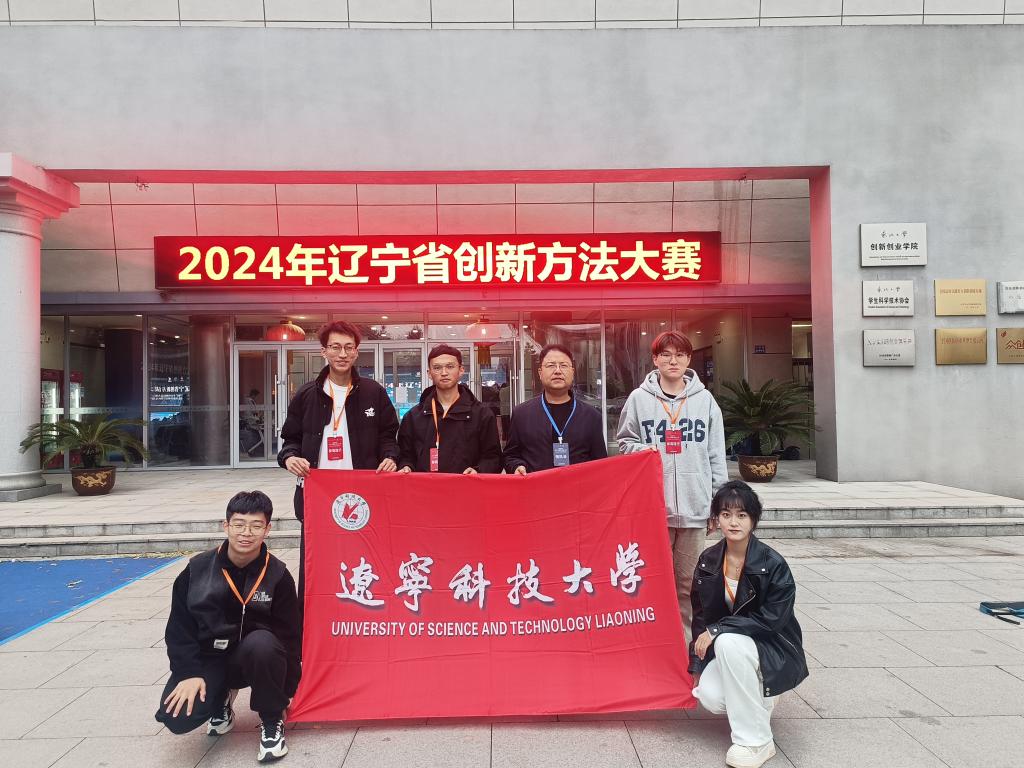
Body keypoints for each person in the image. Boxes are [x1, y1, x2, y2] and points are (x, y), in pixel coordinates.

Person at [156, 491, 300, 764]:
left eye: (256, 525)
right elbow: (179, 630)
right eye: (239, 524)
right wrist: (188, 673)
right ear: (226, 526)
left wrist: (289, 688)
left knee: (263, 644)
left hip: (255, 657)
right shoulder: (196, 570)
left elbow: (290, 636)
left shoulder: (278, 575)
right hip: (210, 658)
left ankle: (272, 722)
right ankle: (220, 698)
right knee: (178, 718)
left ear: (267, 529)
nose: (246, 533)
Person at [616, 329, 727, 646]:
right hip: (654, 511)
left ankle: (684, 646)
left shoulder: (705, 401)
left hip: (694, 508)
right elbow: (624, 443)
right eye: (665, 354)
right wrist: (644, 449)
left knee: (688, 584)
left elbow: (716, 455)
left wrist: (717, 505)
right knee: (652, 581)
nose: (673, 361)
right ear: (655, 359)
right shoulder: (639, 399)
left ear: (689, 359)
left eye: (679, 355)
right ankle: (655, 644)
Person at [277, 320, 399, 607]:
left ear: (356, 352)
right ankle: (312, 619)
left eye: (348, 348)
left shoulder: (373, 392)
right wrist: (290, 457)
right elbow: (290, 440)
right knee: (317, 561)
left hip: (363, 495)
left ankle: (363, 617)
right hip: (318, 495)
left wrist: (390, 458)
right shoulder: (306, 394)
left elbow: (389, 436)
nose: (342, 354)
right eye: (335, 347)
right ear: (324, 351)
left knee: (365, 561)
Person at [690, 481, 808, 768]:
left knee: (728, 640)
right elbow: (701, 615)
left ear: (753, 519)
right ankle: (761, 698)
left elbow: (772, 621)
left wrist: (719, 629)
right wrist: (698, 663)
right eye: (726, 514)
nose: (733, 522)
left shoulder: (773, 563)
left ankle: (756, 742)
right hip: (732, 651)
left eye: (741, 515)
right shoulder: (708, 560)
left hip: (773, 647)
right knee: (711, 697)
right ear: (716, 519)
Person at [397, 344, 502, 474]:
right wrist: (406, 466)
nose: (444, 373)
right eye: (437, 368)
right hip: (425, 485)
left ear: (461, 370)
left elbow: (493, 458)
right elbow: (405, 455)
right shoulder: (413, 417)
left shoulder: (481, 414)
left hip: (467, 485)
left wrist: (478, 471)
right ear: (429, 374)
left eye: (450, 366)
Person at [503, 343, 607, 474]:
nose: (558, 371)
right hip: (538, 486)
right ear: (540, 373)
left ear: (572, 372)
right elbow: (510, 455)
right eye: (551, 365)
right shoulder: (522, 414)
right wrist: (516, 466)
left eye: (563, 365)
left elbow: (600, 463)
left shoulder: (591, 416)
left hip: (577, 486)